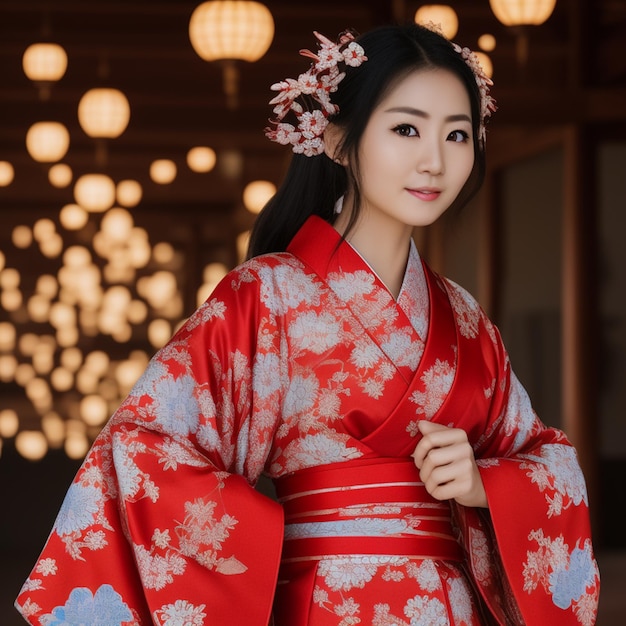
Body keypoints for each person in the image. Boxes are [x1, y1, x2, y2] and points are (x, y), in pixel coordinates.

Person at [16, 23, 600, 626]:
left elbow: (542, 458)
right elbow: (145, 445)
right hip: (323, 604)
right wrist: (280, 537)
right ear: (339, 138)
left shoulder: (466, 320)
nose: (435, 160)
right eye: (406, 129)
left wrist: (484, 488)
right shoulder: (265, 295)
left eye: (457, 134)